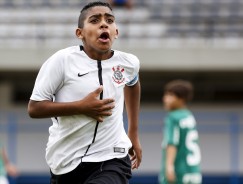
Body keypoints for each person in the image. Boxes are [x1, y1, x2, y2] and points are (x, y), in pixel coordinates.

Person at [27, 1, 142, 184]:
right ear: (79, 33)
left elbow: (133, 83)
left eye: (110, 20)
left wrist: (133, 132)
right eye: (95, 20)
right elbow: (34, 108)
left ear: (116, 32)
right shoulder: (62, 61)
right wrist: (81, 107)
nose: (104, 24)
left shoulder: (128, 63)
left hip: (112, 156)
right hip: (65, 161)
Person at [159, 80, 202, 184]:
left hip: (178, 172)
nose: (165, 99)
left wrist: (169, 166)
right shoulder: (189, 115)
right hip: (193, 172)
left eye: (170, 95)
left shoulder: (173, 117)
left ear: (181, 99)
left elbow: (172, 143)